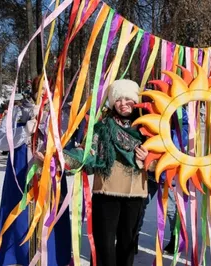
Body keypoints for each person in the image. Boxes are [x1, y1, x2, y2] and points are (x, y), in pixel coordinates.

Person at [64, 79, 154, 266]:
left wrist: (148, 159)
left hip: (135, 193)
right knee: (104, 243)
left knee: (127, 243)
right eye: (118, 100)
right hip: (106, 192)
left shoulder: (149, 128)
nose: (123, 104)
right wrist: (60, 159)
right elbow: (86, 154)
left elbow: (162, 162)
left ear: (136, 100)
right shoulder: (102, 127)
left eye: (128, 99)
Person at [0, 77, 72, 266]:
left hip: (50, 178)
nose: (46, 92)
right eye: (43, 88)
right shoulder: (17, 111)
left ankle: (52, 259)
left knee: (51, 218)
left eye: (52, 89)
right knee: (20, 220)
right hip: (21, 177)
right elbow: (0, 141)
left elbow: (69, 145)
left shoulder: (61, 114)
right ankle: (19, 258)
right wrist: (24, 131)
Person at [135, 105, 188, 255]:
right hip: (147, 169)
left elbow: (182, 136)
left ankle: (176, 237)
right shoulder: (148, 105)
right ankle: (134, 236)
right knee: (140, 202)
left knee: (171, 208)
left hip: (169, 170)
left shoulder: (179, 112)